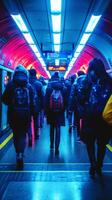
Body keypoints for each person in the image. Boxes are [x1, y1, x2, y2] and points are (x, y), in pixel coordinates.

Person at [81, 58, 112, 176]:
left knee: (90, 142)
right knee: (102, 143)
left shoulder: (87, 81)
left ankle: (92, 163)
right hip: (104, 118)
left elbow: (81, 98)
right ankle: (99, 165)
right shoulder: (109, 81)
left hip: (90, 117)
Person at [2, 65, 35, 169]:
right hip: (25, 114)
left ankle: (18, 154)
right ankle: (21, 154)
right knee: (22, 134)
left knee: (16, 134)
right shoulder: (28, 85)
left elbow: (4, 99)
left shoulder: (11, 85)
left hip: (13, 114)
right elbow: (33, 101)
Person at [45, 72, 67, 155]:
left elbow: (46, 101)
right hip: (60, 112)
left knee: (52, 127)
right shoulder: (63, 88)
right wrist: (64, 110)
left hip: (51, 111)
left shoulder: (49, 88)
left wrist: (46, 111)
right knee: (58, 128)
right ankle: (57, 147)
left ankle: (51, 144)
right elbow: (66, 101)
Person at [28, 69, 43, 144]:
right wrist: (42, 107)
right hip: (36, 105)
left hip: (27, 106)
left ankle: (30, 136)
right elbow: (42, 96)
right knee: (36, 120)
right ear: (35, 74)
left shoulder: (26, 83)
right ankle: (36, 134)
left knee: (28, 121)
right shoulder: (39, 84)